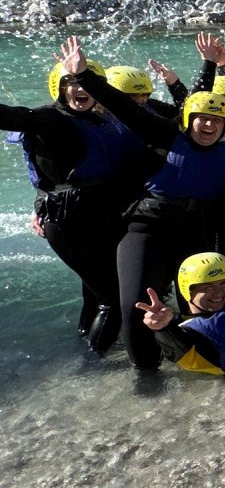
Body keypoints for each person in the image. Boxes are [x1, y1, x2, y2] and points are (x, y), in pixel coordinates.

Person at [59, 38, 225, 373]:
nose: (208, 125)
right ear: (189, 119)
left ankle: (200, 362)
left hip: (196, 232)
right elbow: (126, 108)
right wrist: (85, 77)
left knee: (202, 303)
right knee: (136, 304)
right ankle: (146, 375)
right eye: (201, 118)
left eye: (216, 121)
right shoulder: (164, 134)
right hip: (147, 229)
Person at [0, 57, 136, 354]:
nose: (77, 89)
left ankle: (87, 341)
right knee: (111, 298)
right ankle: (97, 366)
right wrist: (39, 205)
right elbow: (9, 116)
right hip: (68, 222)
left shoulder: (105, 119)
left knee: (94, 291)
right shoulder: (48, 119)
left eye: (82, 82)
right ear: (58, 89)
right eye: (68, 83)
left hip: (102, 218)